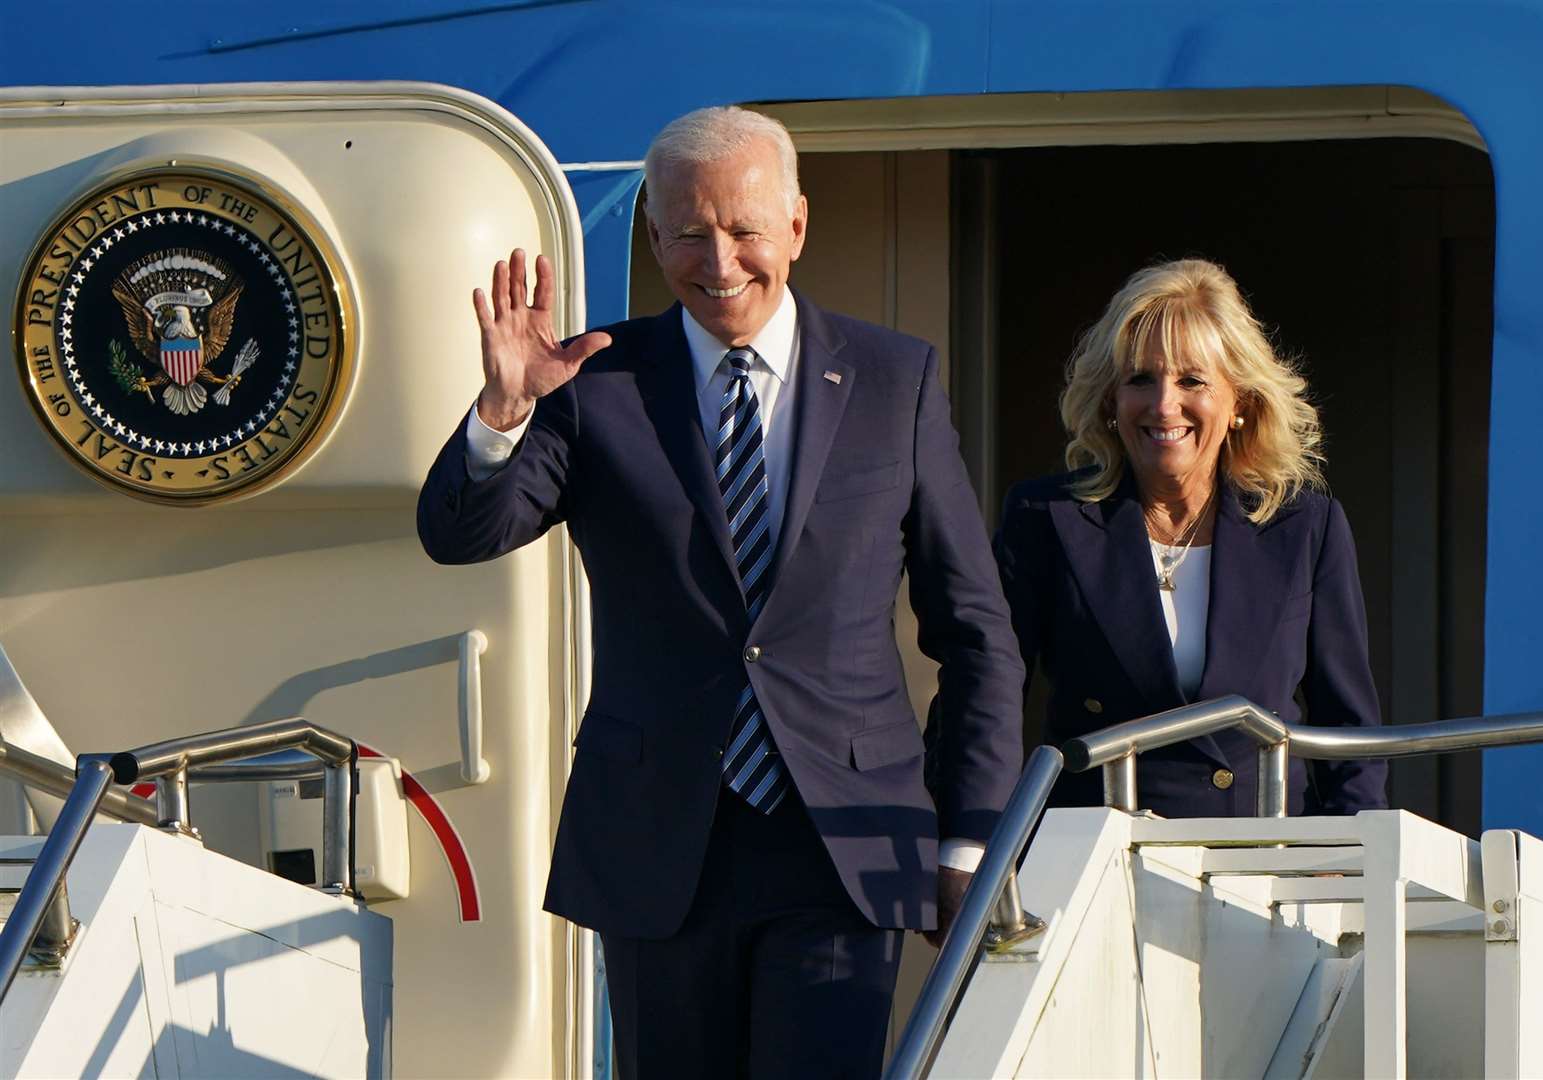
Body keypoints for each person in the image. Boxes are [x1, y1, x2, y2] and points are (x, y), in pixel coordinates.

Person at [417, 106, 1024, 1078]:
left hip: (843, 845)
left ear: (796, 225)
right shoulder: (589, 382)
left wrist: (968, 840)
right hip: (660, 841)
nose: (719, 260)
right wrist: (502, 410)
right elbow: (460, 535)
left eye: (743, 229)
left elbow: (976, 631)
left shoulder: (891, 378)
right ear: (654, 238)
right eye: (689, 234)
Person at [995, 259, 1387, 816]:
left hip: (1260, 862)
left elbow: (1350, 733)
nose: (1163, 405)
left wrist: (1347, 866)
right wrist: (971, 843)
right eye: (1140, 380)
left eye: (1192, 380)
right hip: (1097, 857)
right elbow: (986, 697)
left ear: (1239, 406)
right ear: (1111, 401)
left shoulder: (1304, 527)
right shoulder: (1046, 517)